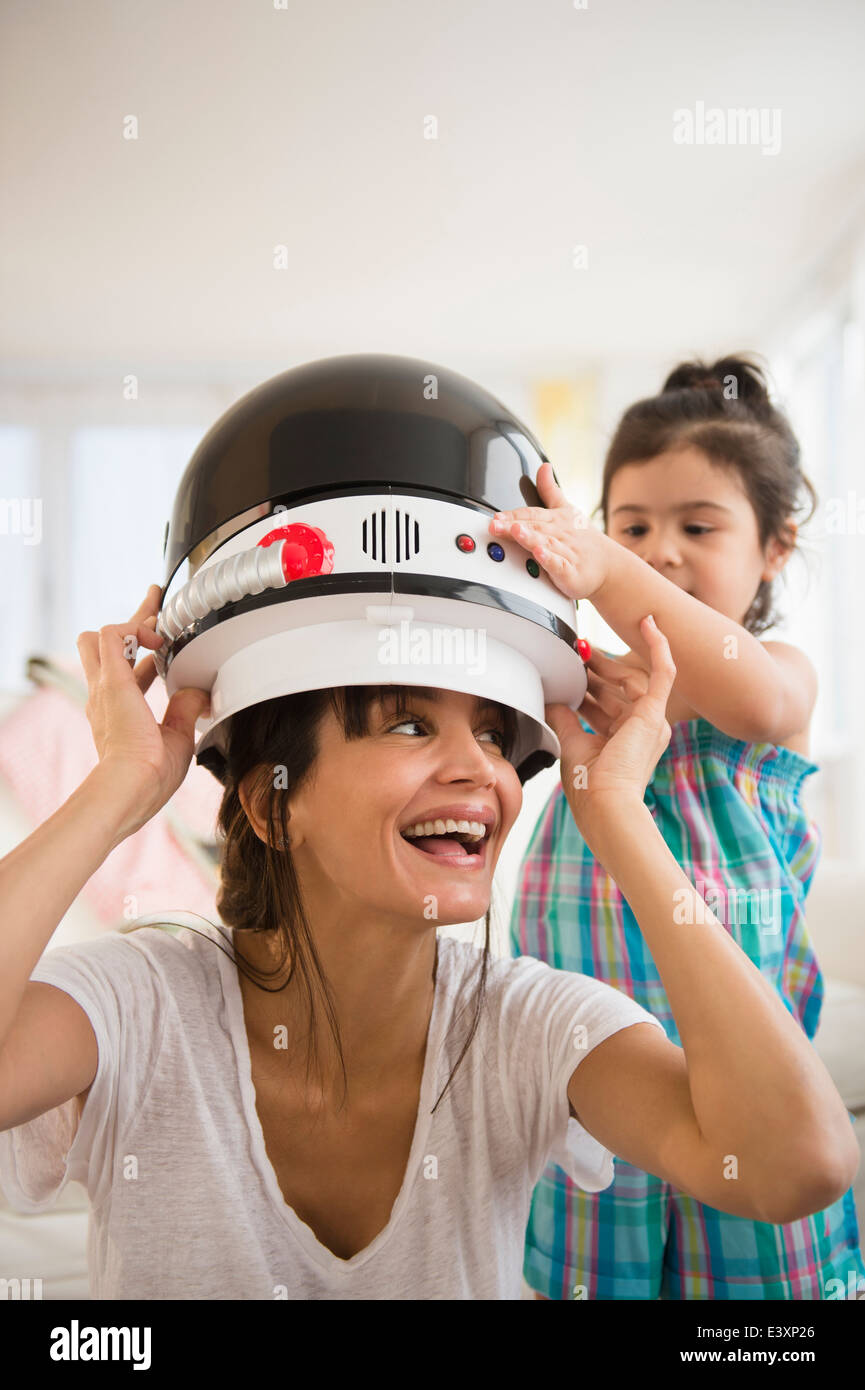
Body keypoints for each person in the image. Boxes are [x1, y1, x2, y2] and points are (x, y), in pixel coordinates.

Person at [0, 585, 857, 1299]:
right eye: (408, 726)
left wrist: (619, 817)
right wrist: (119, 786)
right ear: (272, 805)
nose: (480, 769)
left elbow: (797, 1165)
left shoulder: (528, 1022)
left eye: (492, 733)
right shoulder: (140, 1003)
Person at [498, 355, 865, 1300]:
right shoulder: (588, 683)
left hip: (745, 1099)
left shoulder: (778, 682)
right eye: (633, 527)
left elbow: (744, 688)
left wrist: (604, 561)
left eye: (696, 527)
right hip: (601, 1120)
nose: (659, 551)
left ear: (774, 548)